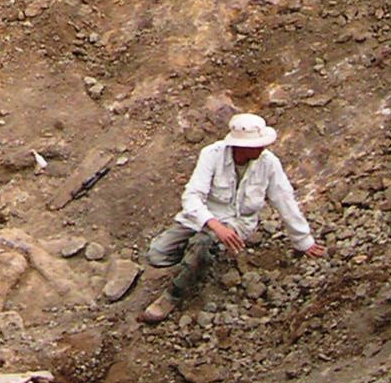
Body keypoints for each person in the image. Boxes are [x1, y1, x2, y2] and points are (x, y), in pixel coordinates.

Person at [139, 112, 325, 325]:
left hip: (237, 224)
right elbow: (192, 197)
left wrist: (303, 241)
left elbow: (285, 200)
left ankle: (173, 295)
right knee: (157, 254)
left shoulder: (269, 163)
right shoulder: (211, 155)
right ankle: (199, 259)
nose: (262, 148)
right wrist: (214, 225)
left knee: (203, 242)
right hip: (202, 219)